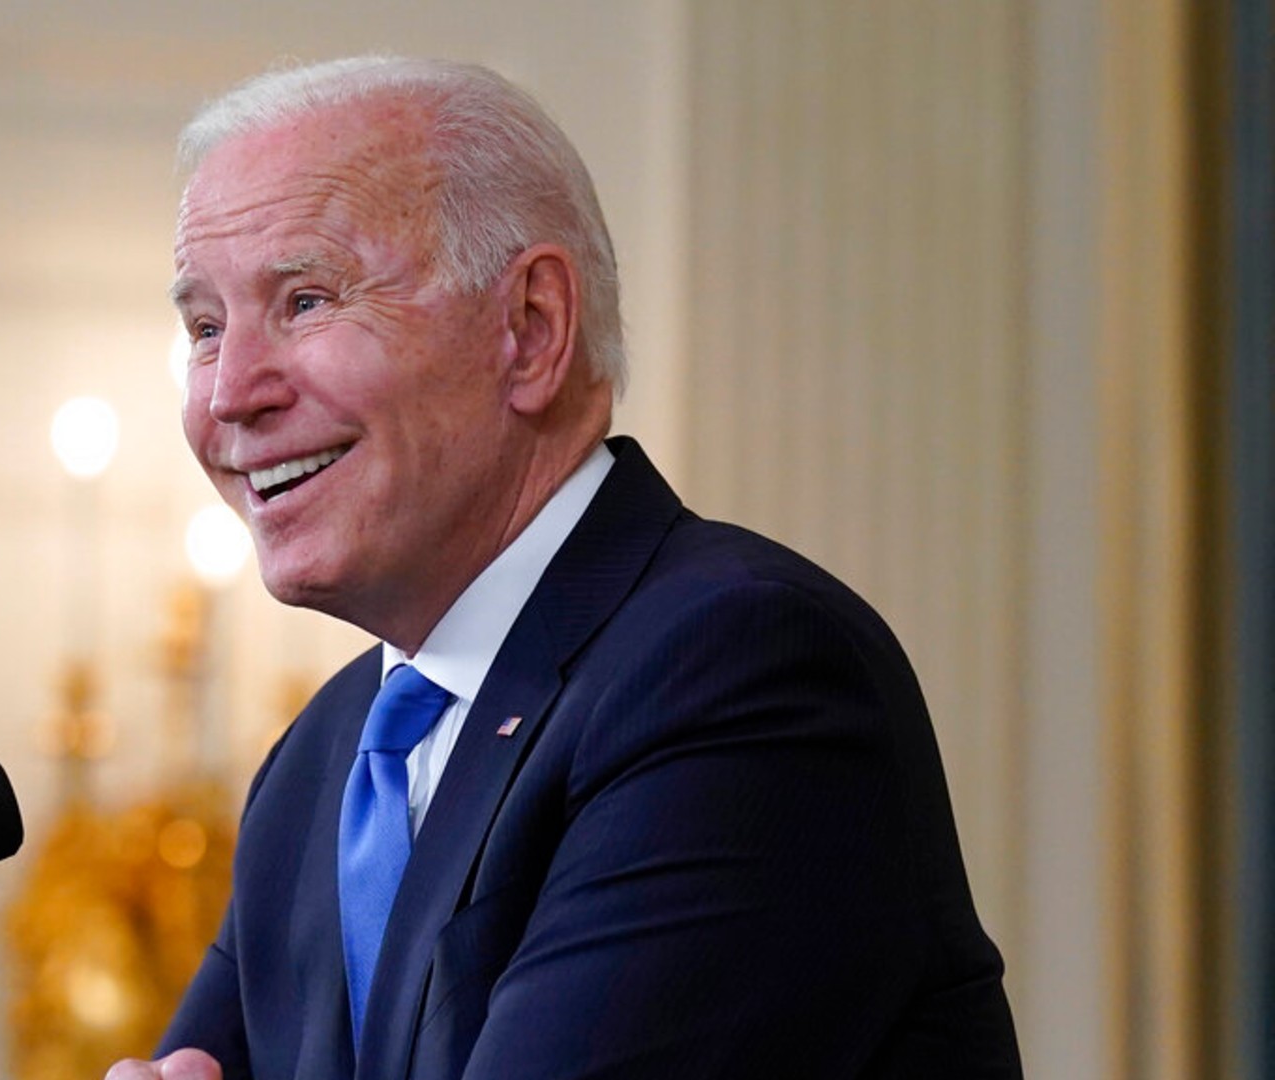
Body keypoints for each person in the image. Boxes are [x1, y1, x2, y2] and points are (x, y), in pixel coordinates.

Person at [108, 56, 1021, 1080]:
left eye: (308, 300)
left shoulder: (737, 672)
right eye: (204, 329)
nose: (231, 393)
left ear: (531, 329)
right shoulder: (320, 764)